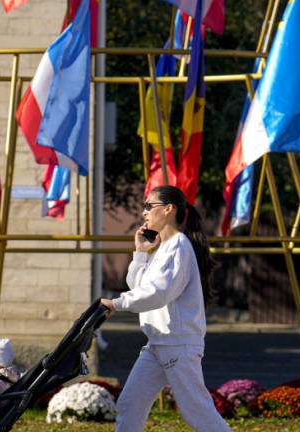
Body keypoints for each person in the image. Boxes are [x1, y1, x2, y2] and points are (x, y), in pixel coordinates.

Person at [100, 185, 230, 432]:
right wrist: (140, 254)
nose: (144, 213)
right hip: (158, 344)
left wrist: (117, 303)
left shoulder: (179, 245)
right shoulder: (162, 248)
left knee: (198, 414)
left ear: (168, 209)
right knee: (130, 405)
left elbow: (158, 293)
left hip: (177, 345)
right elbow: (139, 286)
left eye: (149, 206)